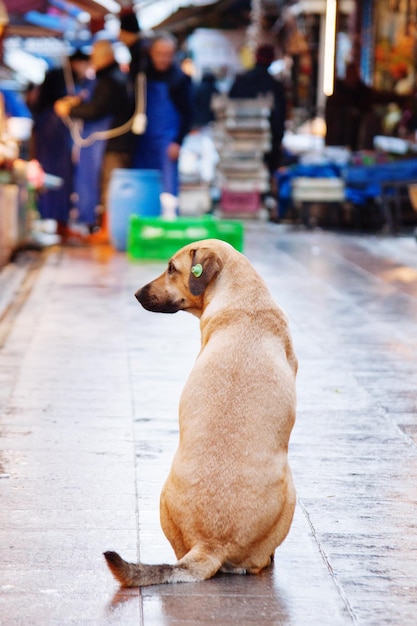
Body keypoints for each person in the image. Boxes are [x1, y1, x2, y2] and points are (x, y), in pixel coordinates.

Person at [54, 40, 134, 240]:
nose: (92, 61)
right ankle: (102, 228)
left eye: (95, 56)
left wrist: (70, 109)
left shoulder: (110, 81)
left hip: (113, 143)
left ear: (106, 57)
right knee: (105, 186)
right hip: (111, 144)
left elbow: (97, 109)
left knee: (109, 187)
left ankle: (107, 230)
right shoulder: (112, 78)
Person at [31, 50, 91, 239]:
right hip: (52, 134)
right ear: (76, 63)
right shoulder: (60, 78)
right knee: (55, 176)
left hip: (54, 135)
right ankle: (56, 221)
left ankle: (60, 222)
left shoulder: (69, 78)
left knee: (61, 176)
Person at [131, 31, 194, 198]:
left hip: (167, 143)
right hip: (144, 142)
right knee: (144, 187)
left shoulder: (179, 80)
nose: (163, 59)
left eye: (168, 55)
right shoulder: (143, 74)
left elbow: (188, 114)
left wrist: (178, 142)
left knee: (167, 189)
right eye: (159, 54)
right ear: (151, 53)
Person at [229, 44, 287, 177]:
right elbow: (279, 119)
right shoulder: (275, 85)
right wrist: (277, 142)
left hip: (238, 141)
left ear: (255, 57)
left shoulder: (241, 81)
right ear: (272, 59)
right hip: (266, 145)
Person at [325, 62, 404, 151]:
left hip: (359, 138)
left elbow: (379, 97)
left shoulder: (362, 92)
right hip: (339, 139)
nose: (351, 76)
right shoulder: (337, 96)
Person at [118, 10, 148, 82]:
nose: (119, 36)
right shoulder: (139, 48)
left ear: (129, 33)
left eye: (122, 32)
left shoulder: (141, 52)